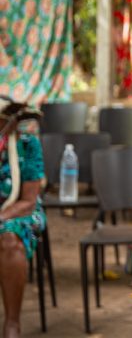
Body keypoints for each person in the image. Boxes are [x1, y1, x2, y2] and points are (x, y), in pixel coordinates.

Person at [0, 99, 45, 338]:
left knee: (9, 237)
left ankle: (11, 324)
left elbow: (28, 200)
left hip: (21, 210)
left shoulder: (27, 144)